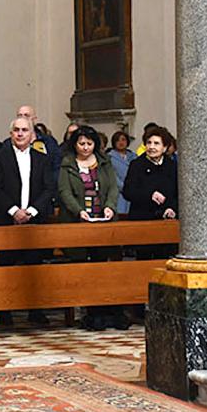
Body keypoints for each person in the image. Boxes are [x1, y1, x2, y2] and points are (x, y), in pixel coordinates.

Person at [0, 116, 57, 326]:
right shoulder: (0, 157)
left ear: (32, 135)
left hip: (33, 222)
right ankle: (5, 311)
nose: (20, 134)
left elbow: (49, 188)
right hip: (6, 220)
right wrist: (13, 211)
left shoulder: (41, 158)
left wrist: (32, 211)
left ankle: (35, 310)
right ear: (11, 134)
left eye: (24, 130)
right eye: (16, 130)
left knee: (33, 267)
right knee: (6, 266)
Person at [57, 126, 124, 330]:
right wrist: (78, 211)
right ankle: (88, 311)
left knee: (101, 264)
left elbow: (113, 187)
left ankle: (104, 310)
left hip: (102, 220)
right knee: (82, 267)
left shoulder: (104, 162)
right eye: (81, 143)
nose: (85, 148)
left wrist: (110, 207)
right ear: (75, 145)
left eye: (89, 144)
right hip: (78, 221)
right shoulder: (67, 164)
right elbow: (64, 191)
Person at [123, 125, 179, 258]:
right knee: (144, 260)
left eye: (156, 143)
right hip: (143, 220)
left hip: (166, 222)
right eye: (149, 143)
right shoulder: (137, 165)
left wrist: (172, 208)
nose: (152, 147)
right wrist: (150, 195)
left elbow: (178, 192)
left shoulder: (171, 166)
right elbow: (128, 191)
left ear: (165, 147)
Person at [107, 131, 136, 215]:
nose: (121, 142)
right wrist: (125, 188)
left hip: (133, 193)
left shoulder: (134, 156)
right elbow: (112, 176)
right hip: (119, 193)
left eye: (123, 140)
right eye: (118, 140)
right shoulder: (109, 157)